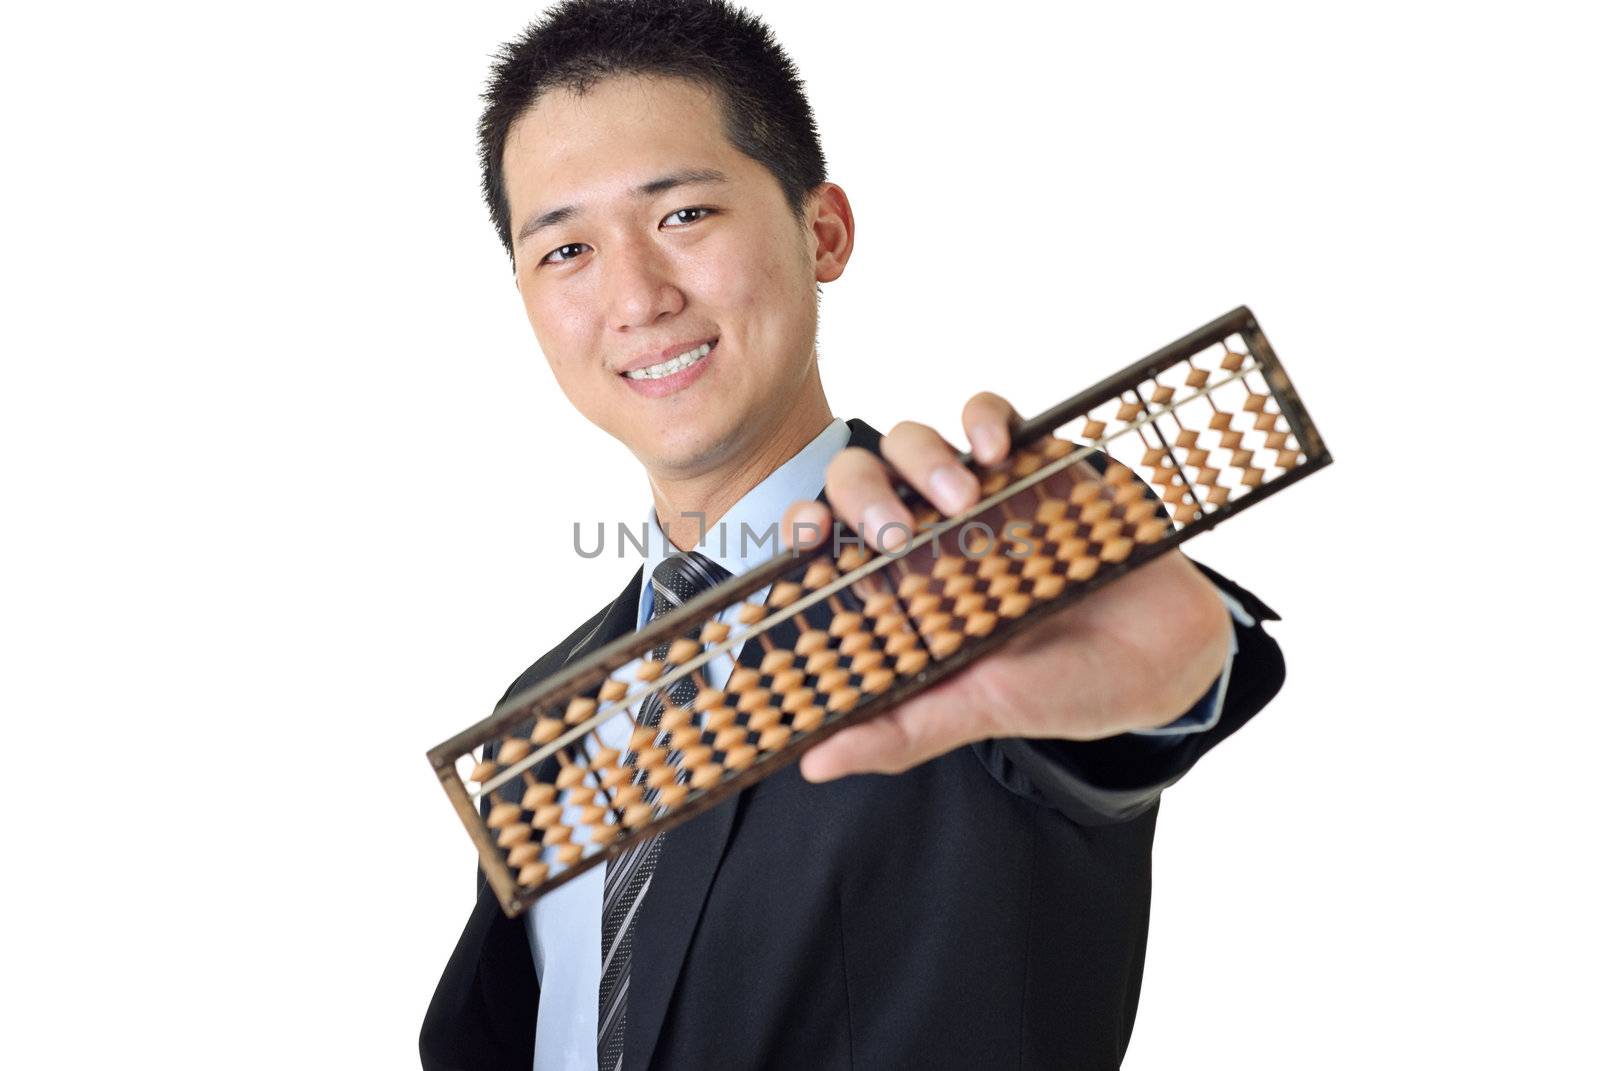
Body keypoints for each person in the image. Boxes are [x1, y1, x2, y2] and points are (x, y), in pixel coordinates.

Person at [421, 2, 1286, 1068]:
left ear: (821, 231)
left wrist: (1188, 677)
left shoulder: (975, 581)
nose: (635, 297)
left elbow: (1127, 684)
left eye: (684, 215)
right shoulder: (539, 713)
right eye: (564, 250)